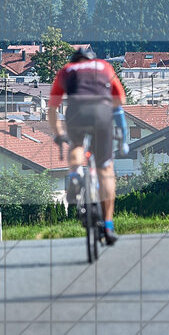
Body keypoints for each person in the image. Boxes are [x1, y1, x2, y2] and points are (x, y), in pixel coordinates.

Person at [47, 47, 128, 246]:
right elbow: (120, 101)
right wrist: (122, 133)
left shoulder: (66, 70)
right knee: (106, 170)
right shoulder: (104, 66)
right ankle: (108, 225)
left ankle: (75, 174)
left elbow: (52, 108)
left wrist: (58, 133)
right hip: (101, 113)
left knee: (76, 144)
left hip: (77, 111)